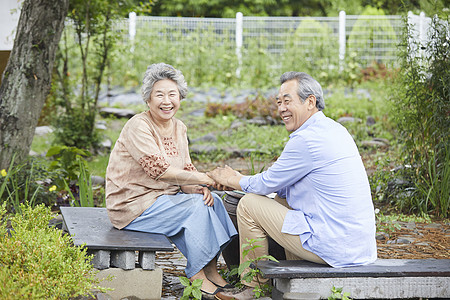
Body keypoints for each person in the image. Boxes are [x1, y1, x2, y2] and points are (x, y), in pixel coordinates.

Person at [208, 71, 377, 299]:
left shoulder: (307, 139)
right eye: (279, 102)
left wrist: (232, 178)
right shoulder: (335, 130)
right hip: (357, 247)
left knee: (248, 205)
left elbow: (266, 183)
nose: (281, 108)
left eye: (287, 101)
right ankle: (285, 272)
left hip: (334, 247)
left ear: (310, 102)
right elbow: (280, 187)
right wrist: (243, 182)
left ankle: (254, 287)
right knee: (281, 198)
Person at [105, 63, 237, 300]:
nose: (167, 101)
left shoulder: (179, 128)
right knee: (195, 209)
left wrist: (198, 188)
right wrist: (207, 177)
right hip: (134, 204)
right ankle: (196, 276)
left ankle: (211, 270)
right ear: (148, 99)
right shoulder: (138, 125)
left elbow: (185, 169)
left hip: (164, 199)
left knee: (212, 202)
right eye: (160, 94)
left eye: (172, 94)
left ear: (180, 97)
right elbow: (159, 169)